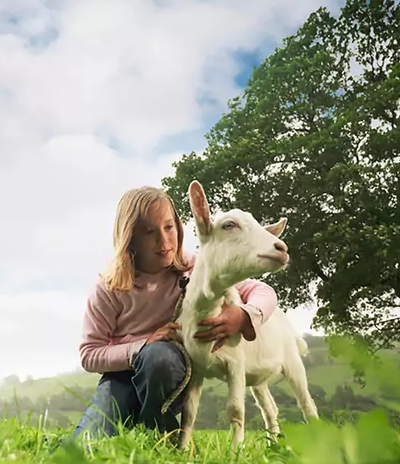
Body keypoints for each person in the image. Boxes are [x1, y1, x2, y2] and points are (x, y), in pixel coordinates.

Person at [70, 185, 279, 445]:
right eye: (149, 232)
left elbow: (263, 291)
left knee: (159, 357)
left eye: (169, 227)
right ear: (130, 238)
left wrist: (244, 315)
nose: (164, 241)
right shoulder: (110, 287)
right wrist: (141, 346)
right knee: (84, 443)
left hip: (168, 370)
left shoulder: (194, 268)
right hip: (122, 375)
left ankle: (160, 438)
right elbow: (89, 354)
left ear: (179, 226)